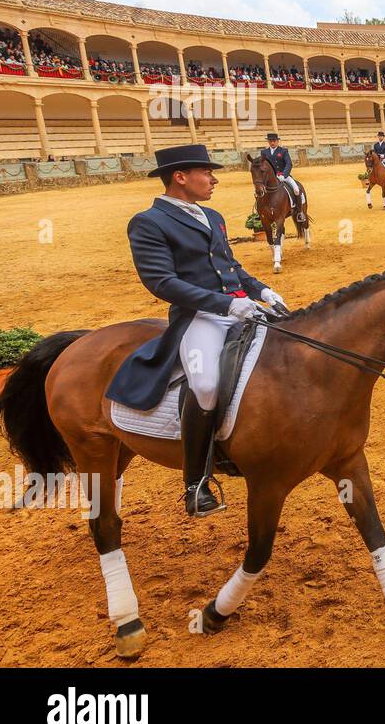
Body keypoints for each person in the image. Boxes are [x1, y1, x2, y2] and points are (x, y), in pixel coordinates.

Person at [104, 145, 287, 517]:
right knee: (204, 384)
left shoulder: (213, 215)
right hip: (199, 317)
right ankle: (197, 482)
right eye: (207, 172)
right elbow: (162, 282)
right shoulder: (148, 222)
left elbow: (231, 267)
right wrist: (226, 304)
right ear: (180, 177)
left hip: (243, 307)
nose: (214, 178)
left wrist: (261, 290)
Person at [261, 132, 301, 208]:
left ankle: (299, 211)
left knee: (296, 190)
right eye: (270, 141)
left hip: (283, 176)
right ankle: (260, 211)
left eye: (274, 141)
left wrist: (284, 174)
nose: (272, 143)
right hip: (269, 178)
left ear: (277, 141)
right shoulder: (264, 152)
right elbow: (262, 166)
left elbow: (289, 164)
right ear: (268, 142)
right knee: (259, 192)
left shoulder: (283, 151)